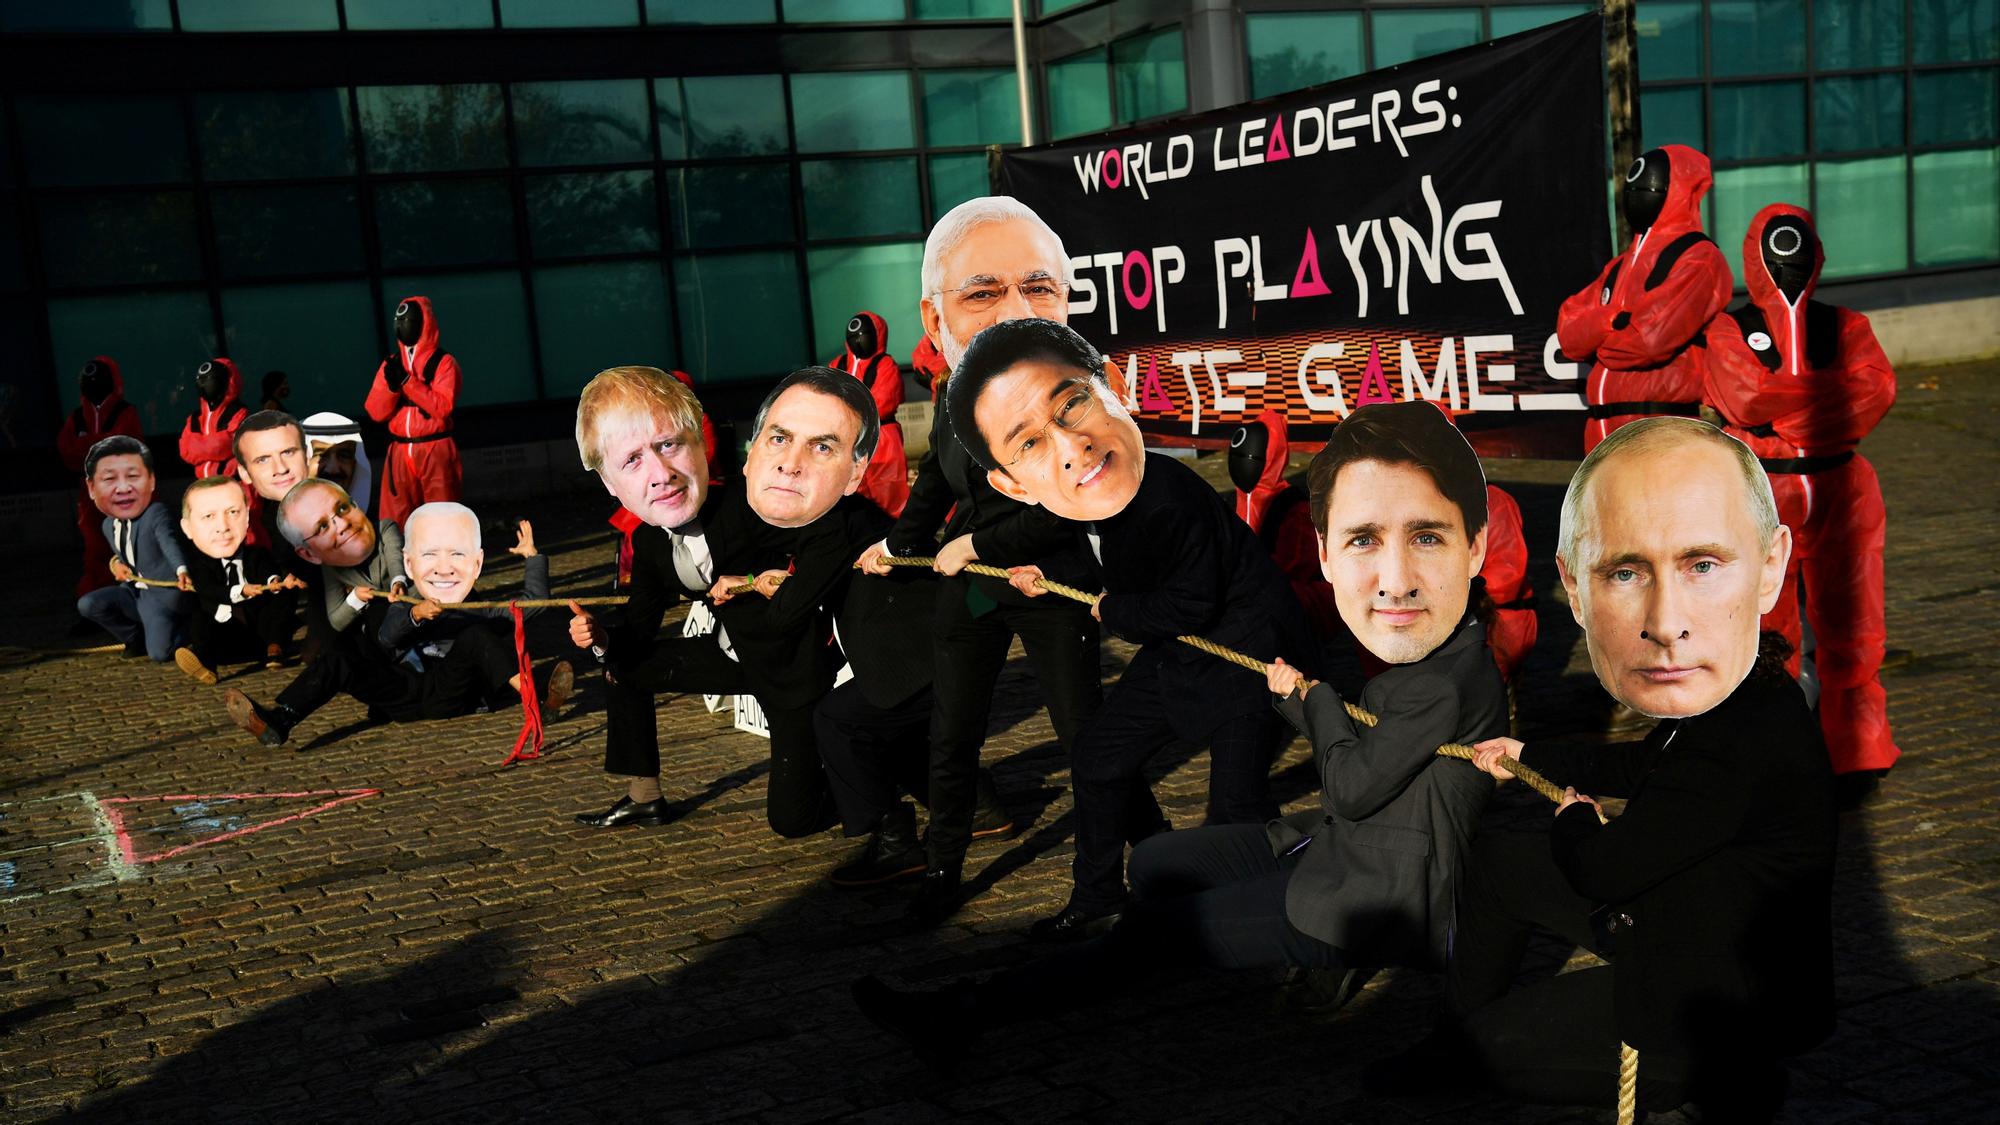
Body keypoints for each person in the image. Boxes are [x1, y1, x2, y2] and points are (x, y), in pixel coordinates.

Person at [852, 399, 1506, 1059]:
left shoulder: (1440, 677)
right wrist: (1299, 698)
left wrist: (1321, 702)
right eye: (1363, 539)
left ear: (1473, 547)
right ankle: (1157, 930)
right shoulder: (1425, 653)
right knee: (1160, 861)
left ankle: (967, 1011)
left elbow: (1354, 784)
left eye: (1427, 538)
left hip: (1359, 891)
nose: (1393, 582)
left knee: (1163, 918)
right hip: (1324, 841)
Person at [1368, 417, 1835, 1123]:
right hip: (1684, 909)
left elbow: (1603, 867)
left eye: (1702, 566)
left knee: (1495, 1048)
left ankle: (1729, 1086)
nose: (1666, 620)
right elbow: (1649, 759)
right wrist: (1530, 754)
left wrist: (1578, 816)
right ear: (1579, 589)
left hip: (1721, 994)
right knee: (1501, 860)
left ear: (1769, 567)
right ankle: (1451, 1039)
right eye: (1626, 572)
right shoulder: (1745, 685)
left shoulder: (1742, 737)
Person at [954, 319, 1319, 939]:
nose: (1072, 448)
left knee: (1236, 810)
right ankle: (1098, 893)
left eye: (1072, 403)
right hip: (1179, 648)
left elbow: (1189, 603)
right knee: (1097, 757)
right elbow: (1100, 554)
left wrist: (1111, 611)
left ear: (1112, 391)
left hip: (1248, 650)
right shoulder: (1076, 500)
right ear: (1013, 483)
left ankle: (1300, 916)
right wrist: (1040, 574)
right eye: (1030, 445)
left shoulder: (1165, 496)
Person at [856, 196, 1103, 926]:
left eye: (1037, 288)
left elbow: (1067, 503)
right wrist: (897, 545)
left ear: (1063, 300)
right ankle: (942, 868)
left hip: (1051, 579)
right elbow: (936, 481)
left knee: (1085, 734)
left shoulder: (1083, 394)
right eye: (983, 293)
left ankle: (1114, 871)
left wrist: (976, 546)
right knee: (952, 733)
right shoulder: (954, 393)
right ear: (936, 321)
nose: (1012, 311)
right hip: (973, 590)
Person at [565, 366, 864, 837]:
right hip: (728, 657)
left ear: (701, 446)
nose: (661, 475)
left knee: (792, 823)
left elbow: (836, 530)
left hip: (789, 674)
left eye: (669, 446)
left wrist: (769, 582)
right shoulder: (648, 542)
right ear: (609, 483)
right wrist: (601, 636)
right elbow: (640, 624)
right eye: (632, 461)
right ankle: (645, 797)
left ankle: (863, 781)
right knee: (622, 664)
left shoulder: (748, 504)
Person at [1703, 203, 1900, 802]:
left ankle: (1857, 750)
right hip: (1765, 492)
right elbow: (1743, 397)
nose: (1787, 260)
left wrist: (1780, 406)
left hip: (1844, 489)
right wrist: (1826, 399)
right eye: (1775, 249)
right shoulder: (1728, 329)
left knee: (1855, 627)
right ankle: (1776, 753)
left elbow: (1875, 392)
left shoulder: (1847, 324)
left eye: (1796, 248)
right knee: (1767, 630)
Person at [222, 500, 568, 747]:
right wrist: (416, 615)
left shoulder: (474, 603)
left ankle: (538, 702)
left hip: (448, 692)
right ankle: (282, 719)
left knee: (477, 636)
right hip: (401, 691)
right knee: (342, 651)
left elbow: (534, 606)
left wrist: (533, 557)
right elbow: (387, 637)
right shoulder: (405, 596)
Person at [1557, 145, 1733, 452]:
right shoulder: (1618, 266)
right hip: (1600, 430)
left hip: (1658, 427)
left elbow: (1649, 340)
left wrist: (1598, 339)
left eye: (1645, 185)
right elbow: (1569, 334)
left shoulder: (1699, 259)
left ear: (1672, 189)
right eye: (1633, 186)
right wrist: (1612, 320)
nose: (1637, 193)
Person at [173, 475, 300, 684]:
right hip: (227, 638)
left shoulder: (256, 554)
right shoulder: (199, 564)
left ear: (247, 518)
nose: (223, 527)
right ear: (188, 528)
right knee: (197, 615)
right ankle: (206, 663)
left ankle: (275, 647)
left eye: (233, 513)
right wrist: (240, 590)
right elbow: (208, 589)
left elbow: (268, 571)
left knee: (286, 592)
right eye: (208, 517)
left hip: (261, 634)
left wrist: (278, 581)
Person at [76, 436, 192, 662]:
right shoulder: (108, 524)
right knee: (88, 604)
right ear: (92, 488)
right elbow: (124, 554)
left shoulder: (155, 513)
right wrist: (116, 564)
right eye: (109, 480)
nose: (122, 489)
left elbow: (169, 542)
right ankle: (134, 636)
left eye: (132, 477)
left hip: (162, 596)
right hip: (133, 593)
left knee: (160, 654)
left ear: (150, 481)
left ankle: (191, 627)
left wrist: (181, 570)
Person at [364, 295, 462, 525]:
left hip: (434, 447)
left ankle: (444, 559)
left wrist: (408, 382)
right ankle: (399, 561)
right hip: (399, 449)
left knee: (442, 513)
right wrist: (391, 388)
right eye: (401, 320)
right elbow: (375, 412)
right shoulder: (392, 362)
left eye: (409, 320)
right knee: (395, 518)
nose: (404, 325)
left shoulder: (444, 362)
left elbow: (442, 407)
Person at [56, 356, 144, 600]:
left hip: (125, 492)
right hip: (91, 494)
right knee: (94, 549)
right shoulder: (76, 417)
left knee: (130, 545)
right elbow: (66, 451)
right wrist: (102, 444)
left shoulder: (124, 411)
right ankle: (98, 600)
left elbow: (125, 445)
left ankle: (136, 599)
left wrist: (87, 447)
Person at [828, 310, 909, 516]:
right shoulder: (837, 364)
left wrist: (844, 414)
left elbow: (883, 403)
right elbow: (825, 399)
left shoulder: (886, 364)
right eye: (854, 337)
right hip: (846, 440)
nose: (859, 340)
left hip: (883, 440)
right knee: (850, 493)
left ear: (877, 336)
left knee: (888, 494)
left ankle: (892, 541)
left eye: (863, 336)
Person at [179, 357, 250, 478]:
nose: (205, 385)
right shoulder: (195, 418)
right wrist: (215, 443)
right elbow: (186, 450)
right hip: (204, 486)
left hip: (234, 483)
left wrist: (199, 444)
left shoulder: (238, 412)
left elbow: (230, 444)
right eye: (202, 380)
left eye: (210, 379)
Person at [301, 411, 373, 516]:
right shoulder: (274, 527)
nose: (333, 469)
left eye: (344, 456)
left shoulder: (376, 527)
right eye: (321, 456)